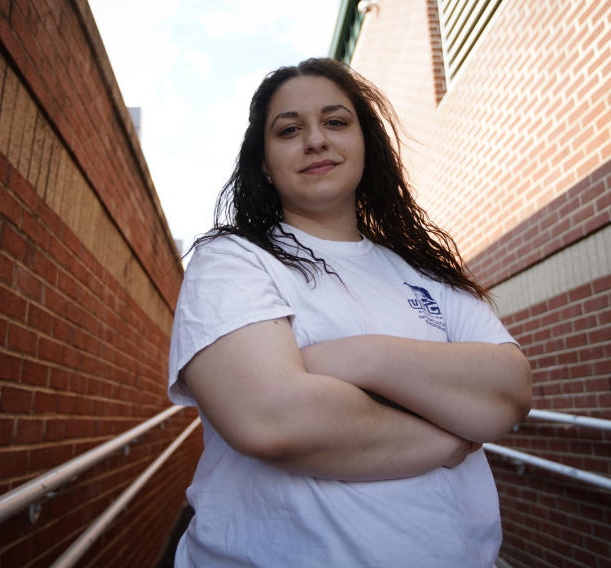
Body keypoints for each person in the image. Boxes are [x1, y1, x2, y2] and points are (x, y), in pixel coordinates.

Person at [167, 58, 532, 566]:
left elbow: (509, 393)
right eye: (289, 129)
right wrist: (449, 437)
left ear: (366, 144)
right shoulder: (233, 260)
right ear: (265, 164)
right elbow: (272, 418)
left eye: (335, 122)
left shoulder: (424, 272)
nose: (315, 140)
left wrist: (360, 360)